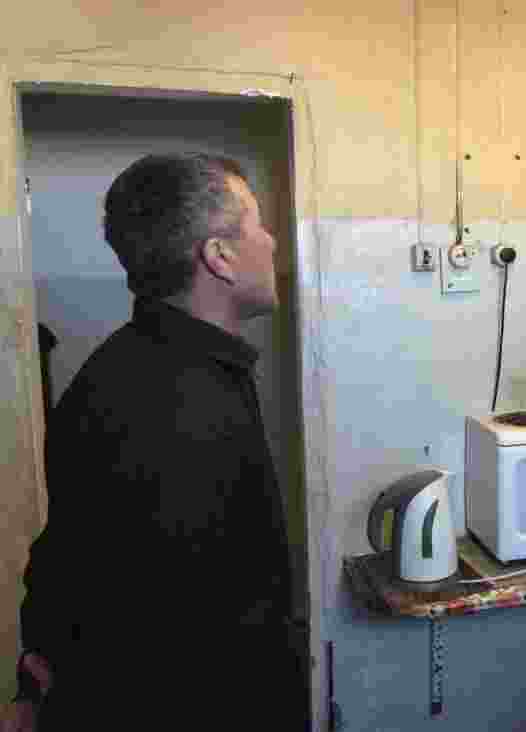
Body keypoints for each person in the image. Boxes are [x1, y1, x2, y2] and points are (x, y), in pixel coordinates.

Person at [2, 153, 307, 731]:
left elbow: (62, 555)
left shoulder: (140, 367)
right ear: (219, 257)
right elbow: (191, 651)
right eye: (258, 225)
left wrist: (33, 678)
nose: (270, 241)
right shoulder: (179, 404)